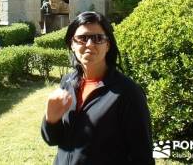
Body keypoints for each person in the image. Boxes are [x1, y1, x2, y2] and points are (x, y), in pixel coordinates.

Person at [41, 11, 153, 165]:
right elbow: (53, 140)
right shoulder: (68, 82)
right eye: (82, 38)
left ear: (108, 45)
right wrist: (51, 119)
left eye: (98, 38)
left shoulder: (128, 93)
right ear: (72, 44)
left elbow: (143, 156)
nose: (89, 44)